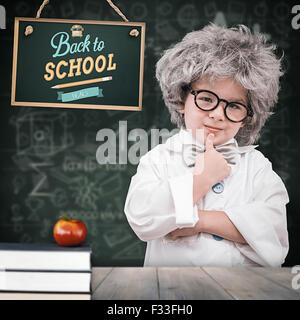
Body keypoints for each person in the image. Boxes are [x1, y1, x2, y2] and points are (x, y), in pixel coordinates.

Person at [124, 23, 289, 267]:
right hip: (171, 296)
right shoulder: (159, 159)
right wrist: (201, 179)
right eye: (206, 99)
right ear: (181, 98)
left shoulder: (257, 167)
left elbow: (274, 239)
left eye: (234, 106)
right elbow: (142, 218)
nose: (218, 114)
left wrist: (198, 220)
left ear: (247, 117)